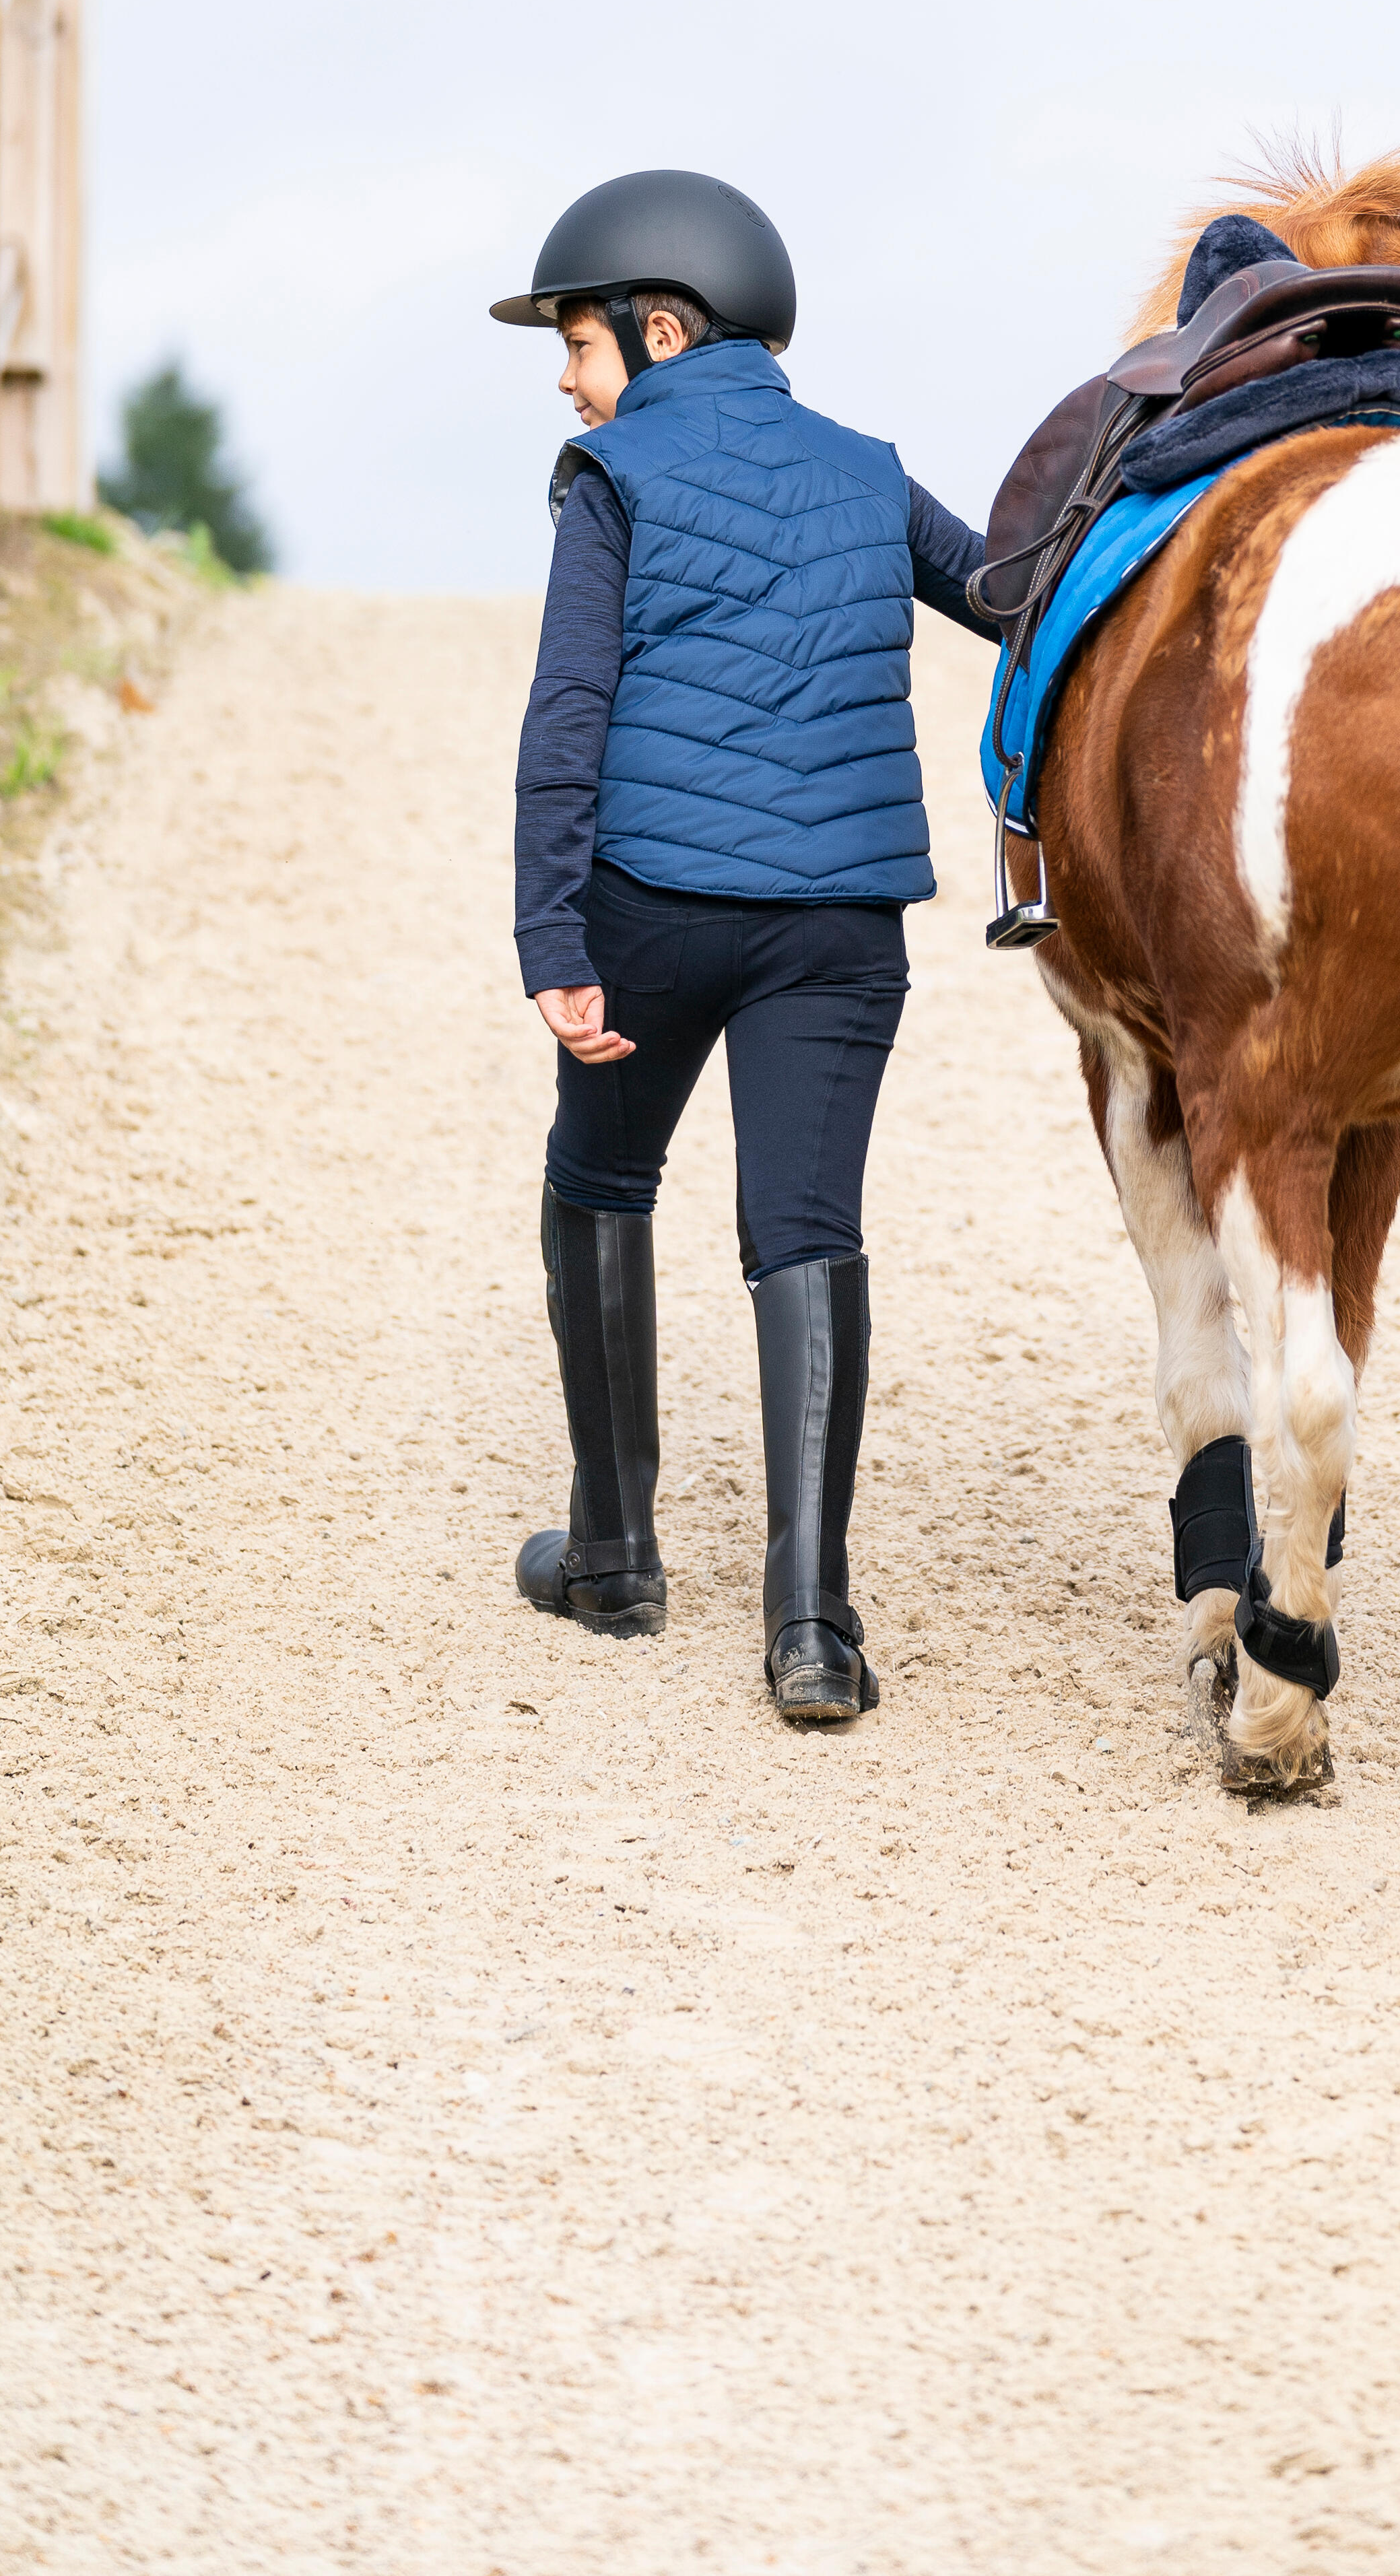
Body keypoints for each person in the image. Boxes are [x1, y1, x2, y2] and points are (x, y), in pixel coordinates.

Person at [492, 168, 999, 1724]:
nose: (567, 384)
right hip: (839, 929)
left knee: (598, 1176)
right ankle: (811, 1626)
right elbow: (1018, 601)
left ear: (657, 328)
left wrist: (551, 935)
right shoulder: (870, 475)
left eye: (574, 346)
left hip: (652, 904)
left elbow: (565, 713)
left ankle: (615, 1553)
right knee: (804, 1226)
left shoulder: (613, 473)